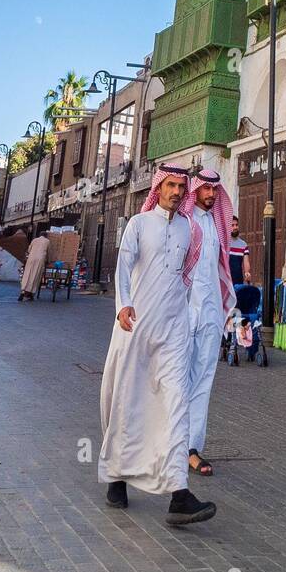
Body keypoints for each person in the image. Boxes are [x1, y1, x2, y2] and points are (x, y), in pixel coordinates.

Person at [98, 163, 216, 527]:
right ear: (158, 187)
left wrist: (191, 319)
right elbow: (123, 268)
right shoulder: (139, 224)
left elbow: (187, 276)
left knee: (175, 404)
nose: (177, 192)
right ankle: (117, 476)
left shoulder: (189, 229)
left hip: (173, 333)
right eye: (170, 185)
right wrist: (123, 305)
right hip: (135, 327)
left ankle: (179, 493)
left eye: (182, 186)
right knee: (127, 401)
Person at [183, 170, 236, 479]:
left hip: (211, 311)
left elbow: (221, 266)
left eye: (215, 189)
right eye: (205, 189)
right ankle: (169, 440)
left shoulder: (217, 225)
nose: (211, 194)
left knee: (203, 378)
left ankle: (191, 447)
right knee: (177, 377)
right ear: (196, 190)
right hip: (184, 311)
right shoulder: (184, 222)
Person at [19, 231, 50, 302]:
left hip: (31, 259)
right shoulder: (47, 241)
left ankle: (23, 290)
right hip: (40, 260)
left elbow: (29, 250)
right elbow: (49, 252)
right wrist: (48, 260)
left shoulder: (34, 240)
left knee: (27, 274)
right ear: (46, 236)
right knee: (35, 275)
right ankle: (30, 293)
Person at [228, 216, 252, 288]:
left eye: (236, 225)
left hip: (238, 280)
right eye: (232, 225)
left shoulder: (243, 244)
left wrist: (247, 272)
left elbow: (246, 262)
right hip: (225, 280)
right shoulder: (223, 243)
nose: (235, 227)